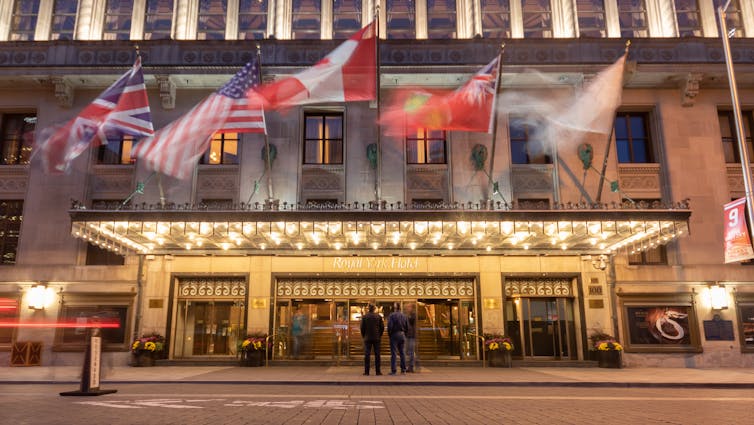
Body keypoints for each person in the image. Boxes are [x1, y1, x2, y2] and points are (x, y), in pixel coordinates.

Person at [360, 304, 384, 376]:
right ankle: (378, 371)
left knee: (367, 355)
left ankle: (367, 371)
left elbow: (362, 328)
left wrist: (364, 336)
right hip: (376, 338)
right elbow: (382, 327)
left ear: (368, 309)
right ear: (374, 309)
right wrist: (379, 335)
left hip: (367, 338)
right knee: (377, 355)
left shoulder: (364, 317)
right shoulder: (379, 317)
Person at [387, 302, 408, 375]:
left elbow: (390, 326)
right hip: (402, 334)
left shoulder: (392, 315)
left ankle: (394, 370)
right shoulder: (404, 316)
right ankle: (403, 369)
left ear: (395, 307)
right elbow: (407, 326)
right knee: (402, 353)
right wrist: (404, 333)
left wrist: (390, 334)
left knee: (394, 353)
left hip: (394, 334)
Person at [405, 303, 419, 373]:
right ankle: (410, 366)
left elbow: (410, 325)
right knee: (409, 352)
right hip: (409, 335)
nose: (407, 308)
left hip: (411, 336)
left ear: (411, 308)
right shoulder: (409, 315)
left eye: (408, 307)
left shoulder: (412, 315)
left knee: (411, 352)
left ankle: (411, 367)